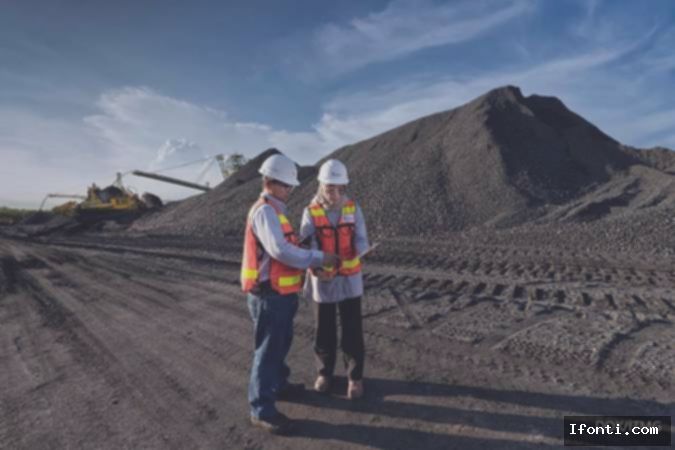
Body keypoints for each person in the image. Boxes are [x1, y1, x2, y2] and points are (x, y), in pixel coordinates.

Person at [241, 153, 339, 435]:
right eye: (285, 185)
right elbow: (280, 251)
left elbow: (288, 249)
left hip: (280, 294)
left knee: (280, 344)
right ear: (269, 182)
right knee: (268, 351)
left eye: (289, 186)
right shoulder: (265, 212)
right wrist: (319, 257)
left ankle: (278, 384)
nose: (289, 190)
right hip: (268, 296)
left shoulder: (276, 211)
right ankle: (261, 410)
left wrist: (309, 261)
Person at [300, 159, 369, 400]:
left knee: (352, 330)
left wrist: (361, 251)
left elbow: (361, 238)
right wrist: (317, 267)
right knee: (324, 330)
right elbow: (306, 243)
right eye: (330, 188)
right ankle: (324, 373)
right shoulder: (310, 212)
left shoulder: (353, 208)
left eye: (339, 188)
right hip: (324, 279)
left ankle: (355, 377)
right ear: (321, 186)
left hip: (350, 279)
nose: (335, 194)